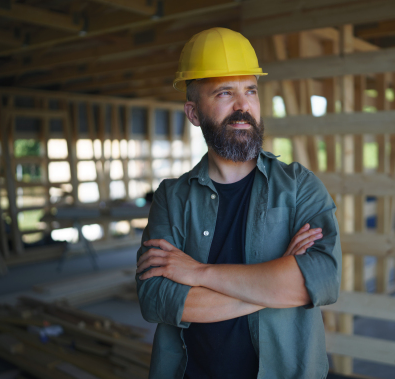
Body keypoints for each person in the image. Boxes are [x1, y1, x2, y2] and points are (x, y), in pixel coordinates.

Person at [135, 27, 342, 379]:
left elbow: (321, 281)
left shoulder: (299, 186)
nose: (243, 106)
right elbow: (157, 298)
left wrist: (198, 274)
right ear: (194, 112)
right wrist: (277, 282)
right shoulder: (171, 198)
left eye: (250, 91)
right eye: (224, 93)